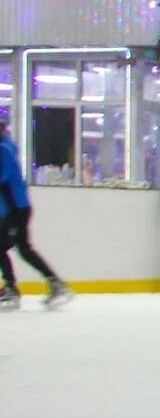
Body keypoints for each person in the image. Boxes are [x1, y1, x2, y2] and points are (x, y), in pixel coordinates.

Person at [0, 116, 72, 310]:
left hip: (16, 209)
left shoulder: (3, 150)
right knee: (14, 248)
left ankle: (53, 284)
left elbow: (3, 177)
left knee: (22, 248)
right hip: (10, 209)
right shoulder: (6, 147)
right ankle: (13, 288)